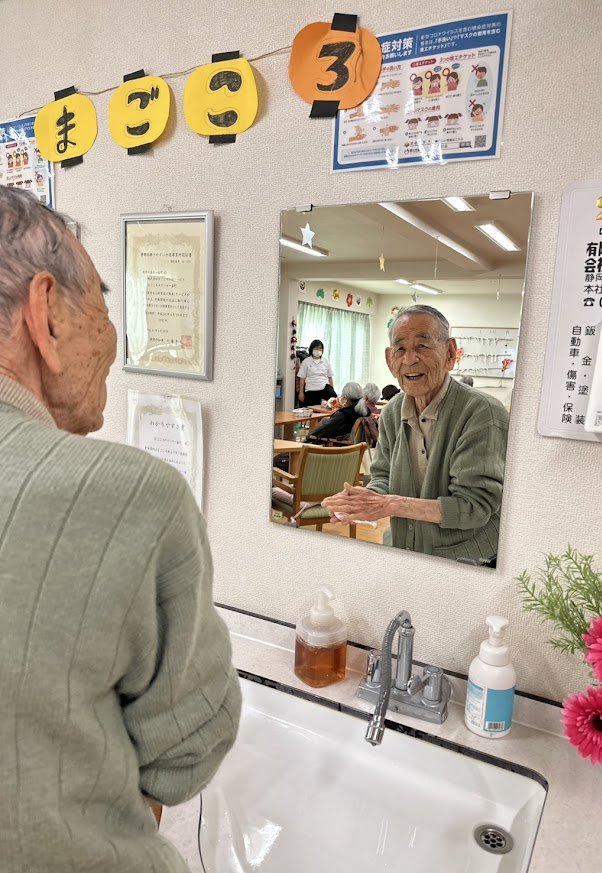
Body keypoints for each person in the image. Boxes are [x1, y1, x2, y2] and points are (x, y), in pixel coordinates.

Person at [0, 187, 241, 872]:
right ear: (45, 314)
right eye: (104, 312)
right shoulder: (133, 493)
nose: (113, 342)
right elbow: (184, 749)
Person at [323, 305, 509, 565]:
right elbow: (384, 477)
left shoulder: (482, 413)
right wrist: (364, 501)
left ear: (450, 353)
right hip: (403, 548)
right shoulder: (392, 411)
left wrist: (392, 504)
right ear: (390, 359)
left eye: (422, 346)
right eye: (400, 348)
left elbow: (474, 507)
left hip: (467, 560)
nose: (410, 359)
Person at [297, 339, 336, 406]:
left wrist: (332, 391)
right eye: (316, 348)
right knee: (312, 408)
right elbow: (302, 378)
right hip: (311, 389)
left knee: (333, 400)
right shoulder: (306, 361)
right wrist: (301, 393)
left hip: (324, 388)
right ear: (311, 349)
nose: (318, 350)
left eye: (320, 348)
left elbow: (330, 378)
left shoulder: (326, 361)